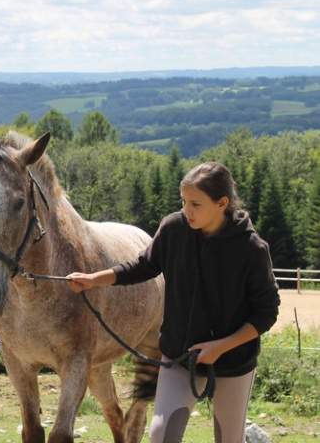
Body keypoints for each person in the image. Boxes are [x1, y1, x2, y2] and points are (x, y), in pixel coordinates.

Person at [67, 162, 280, 443]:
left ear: (222, 203)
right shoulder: (174, 229)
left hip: (233, 363)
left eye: (195, 204)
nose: (186, 210)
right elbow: (143, 266)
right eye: (183, 201)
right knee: (161, 435)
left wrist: (220, 347)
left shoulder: (251, 249)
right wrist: (95, 279)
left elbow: (266, 313)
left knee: (229, 439)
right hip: (179, 357)